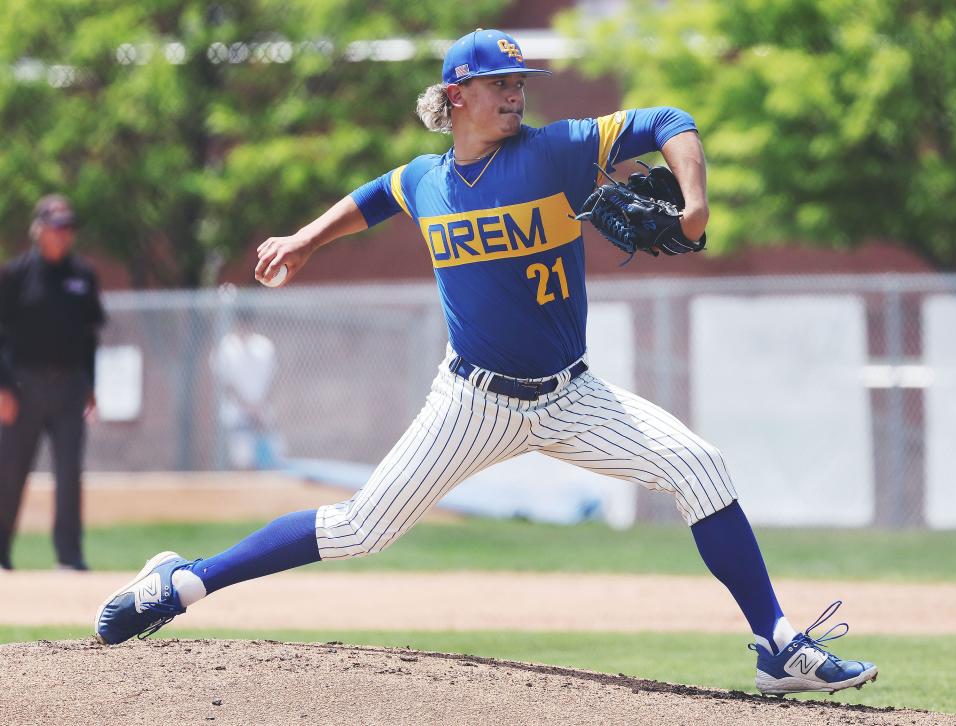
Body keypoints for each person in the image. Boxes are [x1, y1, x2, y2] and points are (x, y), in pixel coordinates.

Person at [95, 30, 877, 696]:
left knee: (699, 466)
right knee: (360, 528)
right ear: (455, 95)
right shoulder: (427, 179)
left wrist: (696, 202)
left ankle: (778, 645)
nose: (515, 95)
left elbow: (671, 119)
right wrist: (302, 239)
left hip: (573, 395)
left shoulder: (557, 153)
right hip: (472, 402)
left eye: (519, 82)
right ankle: (183, 581)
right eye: (498, 83)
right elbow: (376, 196)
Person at [0, 194, 105, 571]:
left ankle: (69, 557)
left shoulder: (82, 276)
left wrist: (91, 385)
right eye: (57, 227)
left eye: (68, 228)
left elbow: (90, 336)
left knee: (69, 473)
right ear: (39, 229)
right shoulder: (15, 275)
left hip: (69, 387)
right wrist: (4, 387)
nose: (63, 234)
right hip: (22, 387)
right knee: (9, 471)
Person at [210, 308, 282, 470]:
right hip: (237, 415)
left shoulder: (264, 347)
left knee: (272, 459)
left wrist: (259, 407)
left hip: (262, 414)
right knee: (243, 461)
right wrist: (247, 407)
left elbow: (272, 380)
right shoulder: (225, 348)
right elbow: (225, 384)